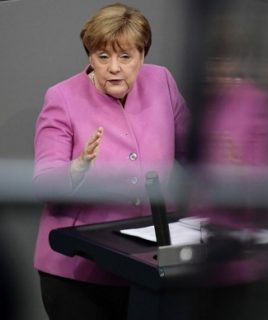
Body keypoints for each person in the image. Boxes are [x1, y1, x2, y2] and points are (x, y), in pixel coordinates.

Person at [33, 3, 189, 320]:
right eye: (103, 56)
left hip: (152, 267)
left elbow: (195, 154)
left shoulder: (163, 82)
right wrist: (79, 168)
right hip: (78, 274)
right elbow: (44, 185)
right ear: (90, 56)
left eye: (125, 56)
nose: (114, 67)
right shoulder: (61, 98)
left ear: (143, 55)